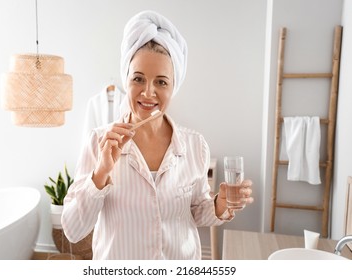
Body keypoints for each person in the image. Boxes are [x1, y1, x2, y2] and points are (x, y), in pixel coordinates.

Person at [61, 10, 253, 260]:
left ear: (174, 87)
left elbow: (196, 213)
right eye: (138, 79)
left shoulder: (195, 145)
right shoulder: (99, 142)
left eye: (161, 82)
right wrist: (100, 173)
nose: (148, 93)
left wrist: (220, 204)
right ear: (126, 80)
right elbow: (73, 230)